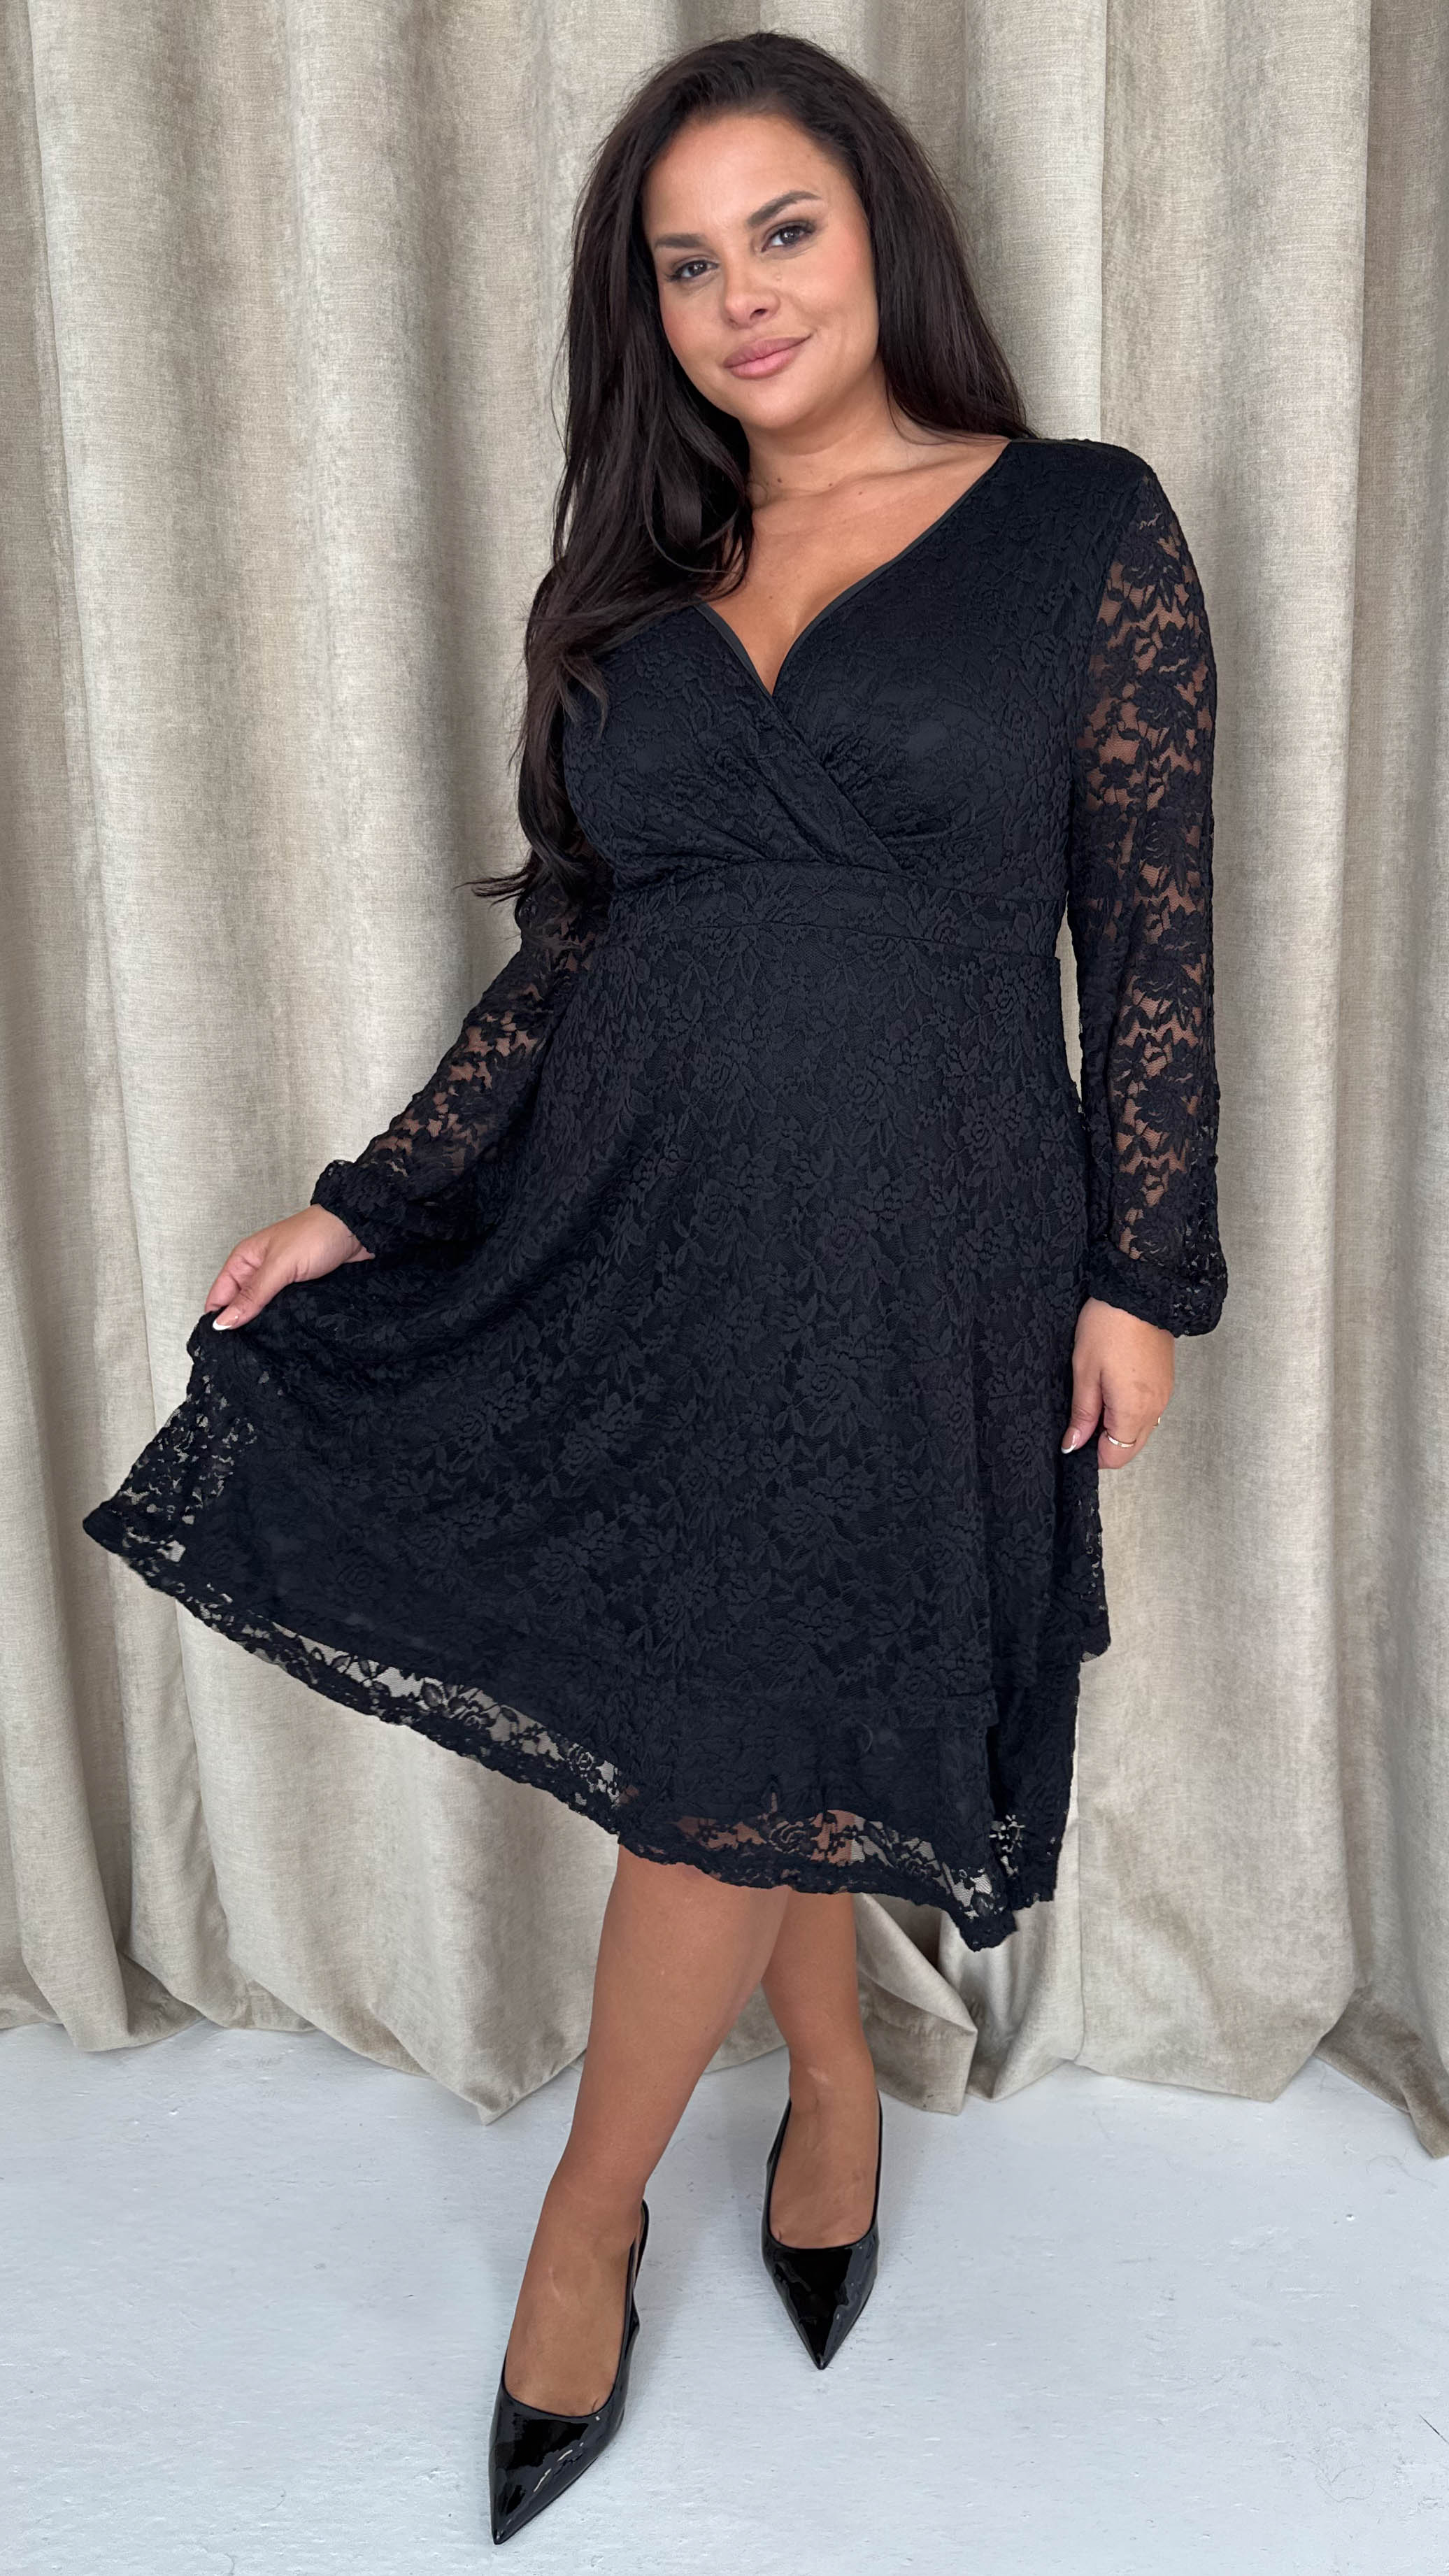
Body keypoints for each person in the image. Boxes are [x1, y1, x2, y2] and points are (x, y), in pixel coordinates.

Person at [83, 27, 1228, 2546]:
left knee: (740, 1694)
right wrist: (372, 1202)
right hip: (644, 1223)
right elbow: (569, 955)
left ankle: (582, 2225)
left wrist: (1143, 1272)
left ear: (881, 225)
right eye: (687, 266)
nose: (741, 298)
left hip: (927, 1229)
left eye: (780, 232)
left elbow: (1152, 929)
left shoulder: (1081, 523)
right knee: (748, 1693)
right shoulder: (634, 587)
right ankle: (826, 2086)